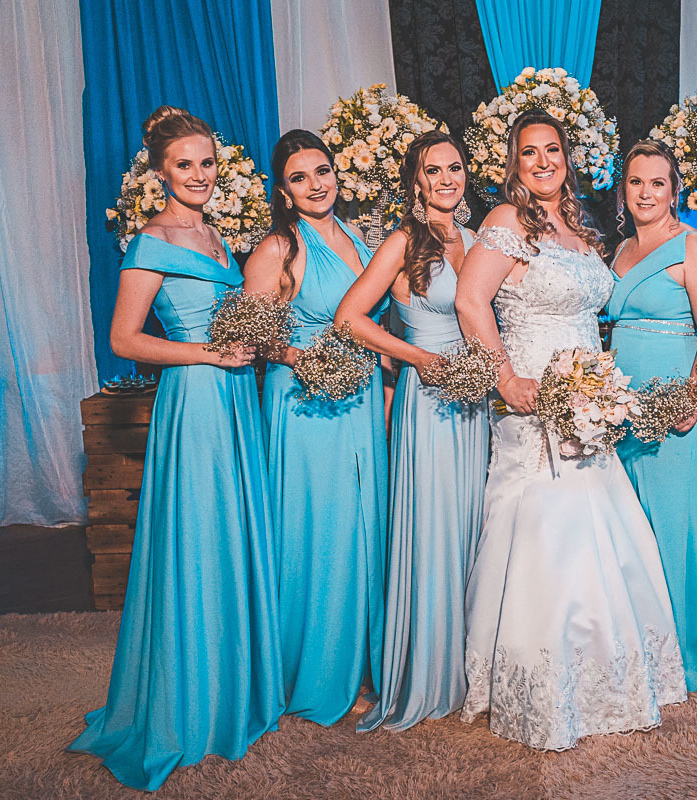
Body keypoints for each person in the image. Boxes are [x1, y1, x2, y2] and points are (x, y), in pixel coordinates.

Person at [454, 109, 686, 750]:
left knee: (599, 527)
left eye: (552, 150)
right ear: (514, 162)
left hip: (591, 400)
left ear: (567, 155)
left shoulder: (582, 226)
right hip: (535, 398)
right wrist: (504, 378)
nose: (543, 162)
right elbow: (471, 301)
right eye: (529, 153)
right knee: (548, 531)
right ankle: (543, 682)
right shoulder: (504, 223)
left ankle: (606, 671)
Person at [69, 106, 283, 791]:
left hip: (233, 401)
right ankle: (186, 707)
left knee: (230, 537)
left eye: (206, 162)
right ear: (159, 173)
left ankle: (231, 693)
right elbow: (124, 339)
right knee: (196, 542)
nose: (198, 174)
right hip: (193, 404)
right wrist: (207, 354)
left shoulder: (220, 237)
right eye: (184, 164)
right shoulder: (150, 242)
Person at [334, 130, 490, 731]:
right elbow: (352, 318)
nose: (447, 178)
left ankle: (469, 663)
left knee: (473, 525)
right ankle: (427, 669)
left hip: (473, 402)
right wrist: (418, 360)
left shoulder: (475, 240)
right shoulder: (403, 241)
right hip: (428, 402)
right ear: (416, 181)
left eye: (455, 167)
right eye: (434, 170)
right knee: (432, 526)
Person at [242, 129, 386, 726]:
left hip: (362, 396)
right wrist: (307, 359)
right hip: (306, 400)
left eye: (323, 170)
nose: (317, 184)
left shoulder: (357, 237)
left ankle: (361, 663)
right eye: (300, 177)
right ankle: (310, 667)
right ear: (283, 189)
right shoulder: (279, 247)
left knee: (364, 525)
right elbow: (251, 336)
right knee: (319, 530)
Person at [606, 139, 697, 692]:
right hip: (624, 407)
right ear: (623, 190)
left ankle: (683, 650)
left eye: (658, 182)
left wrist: (692, 400)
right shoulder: (618, 251)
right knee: (635, 529)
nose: (646, 192)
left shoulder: (693, 246)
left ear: (674, 190)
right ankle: (642, 646)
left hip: (680, 405)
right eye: (636, 182)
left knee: (675, 524)